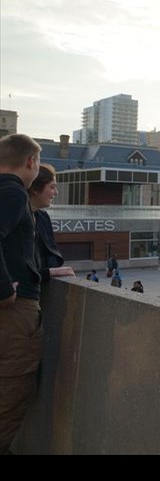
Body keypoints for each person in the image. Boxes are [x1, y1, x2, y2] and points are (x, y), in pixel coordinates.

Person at [0, 134, 44, 454]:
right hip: (13, 314)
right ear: (30, 162)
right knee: (9, 398)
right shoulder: (13, 193)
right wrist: (4, 290)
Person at [27, 164, 75, 283]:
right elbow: (17, 270)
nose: (56, 193)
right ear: (35, 189)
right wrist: (50, 272)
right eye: (52, 187)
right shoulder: (16, 218)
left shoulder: (43, 218)